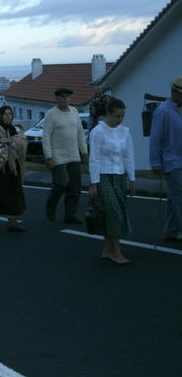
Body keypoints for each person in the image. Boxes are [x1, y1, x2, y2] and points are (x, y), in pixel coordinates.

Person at [88, 97, 135, 264]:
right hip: (103, 177)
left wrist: (132, 178)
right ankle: (117, 252)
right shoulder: (98, 131)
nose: (120, 119)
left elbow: (128, 156)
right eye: (117, 116)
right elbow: (94, 158)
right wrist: (94, 183)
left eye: (122, 116)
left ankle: (107, 250)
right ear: (108, 114)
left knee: (115, 213)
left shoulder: (125, 131)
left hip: (119, 176)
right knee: (114, 213)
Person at [42, 87, 88, 223]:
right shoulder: (51, 114)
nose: (65, 99)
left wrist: (84, 151)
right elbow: (46, 137)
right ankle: (50, 208)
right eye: (62, 97)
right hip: (57, 156)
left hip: (74, 155)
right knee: (61, 184)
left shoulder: (74, 112)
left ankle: (70, 215)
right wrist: (48, 157)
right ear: (56, 98)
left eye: (67, 97)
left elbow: (80, 133)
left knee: (75, 187)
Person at [149, 76, 182, 242]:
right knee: (180, 196)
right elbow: (156, 138)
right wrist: (155, 162)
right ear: (175, 93)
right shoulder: (163, 111)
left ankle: (171, 230)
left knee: (174, 198)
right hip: (172, 162)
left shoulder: (180, 109)